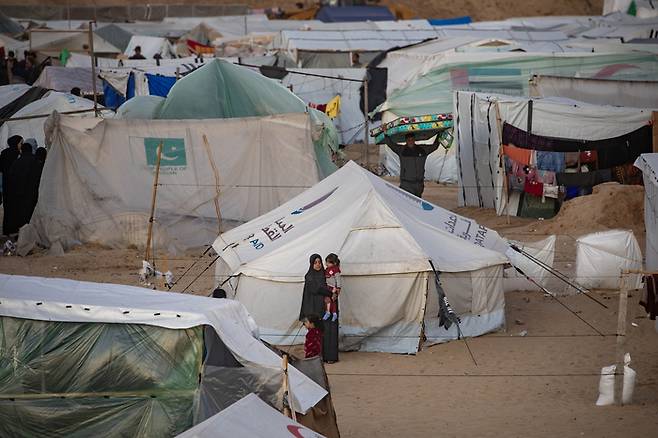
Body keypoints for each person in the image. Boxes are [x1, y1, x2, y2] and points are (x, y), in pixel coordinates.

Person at [384, 133, 439, 198]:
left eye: (412, 139)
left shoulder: (422, 149)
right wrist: (385, 134)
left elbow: (434, 146)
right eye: (408, 140)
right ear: (406, 141)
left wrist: (440, 134)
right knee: (407, 203)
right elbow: (391, 144)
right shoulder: (401, 150)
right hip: (406, 184)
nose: (410, 141)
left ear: (414, 140)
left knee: (417, 203)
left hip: (419, 184)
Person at [0, 135, 22, 234]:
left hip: (6, 185)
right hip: (15, 185)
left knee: (7, 208)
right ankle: (14, 229)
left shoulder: (3, 153)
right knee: (15, 208)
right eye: (20, 143)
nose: (21, 145)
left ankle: (6, 229)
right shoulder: (18, 155)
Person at [323, 253, 341, 322]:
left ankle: (334, 313)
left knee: (333, 300)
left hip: (333, 287)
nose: (326, 263)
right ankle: (328, 312)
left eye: (328, 262)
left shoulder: (335, 270)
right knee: (327, 300)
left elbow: (338, 279)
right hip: (328, 287)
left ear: (334, 263)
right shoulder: (327, 269)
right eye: (326, 262)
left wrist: (338, 287)